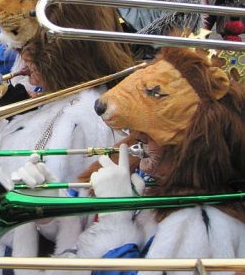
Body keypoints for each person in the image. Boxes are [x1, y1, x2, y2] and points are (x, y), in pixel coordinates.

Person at [0, 0, 135, 271]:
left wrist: (45, 215)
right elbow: (5, 161)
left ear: (61, 52)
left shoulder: (88, 116)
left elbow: (84, 227)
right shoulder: (42, 94)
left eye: (30, 48)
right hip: (1, 251)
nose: (22, 58)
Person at [30, 47, 245, 274]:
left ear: (189, 147)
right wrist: (49, 207)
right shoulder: (142, 171)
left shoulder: (202, 224)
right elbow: (75, 237)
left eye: (147, 134)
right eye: (134, 132)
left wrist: (115, 221)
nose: (135, 139)